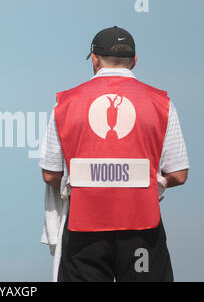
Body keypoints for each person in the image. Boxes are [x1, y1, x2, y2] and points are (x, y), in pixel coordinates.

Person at [39, 26, 189, 282]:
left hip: (84, 229)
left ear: (94, 59)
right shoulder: (162, 103)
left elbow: (50, 174)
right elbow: (178, 173)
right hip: (142, 228)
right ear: (135, 60)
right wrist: (152, 182)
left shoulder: (64, 103)